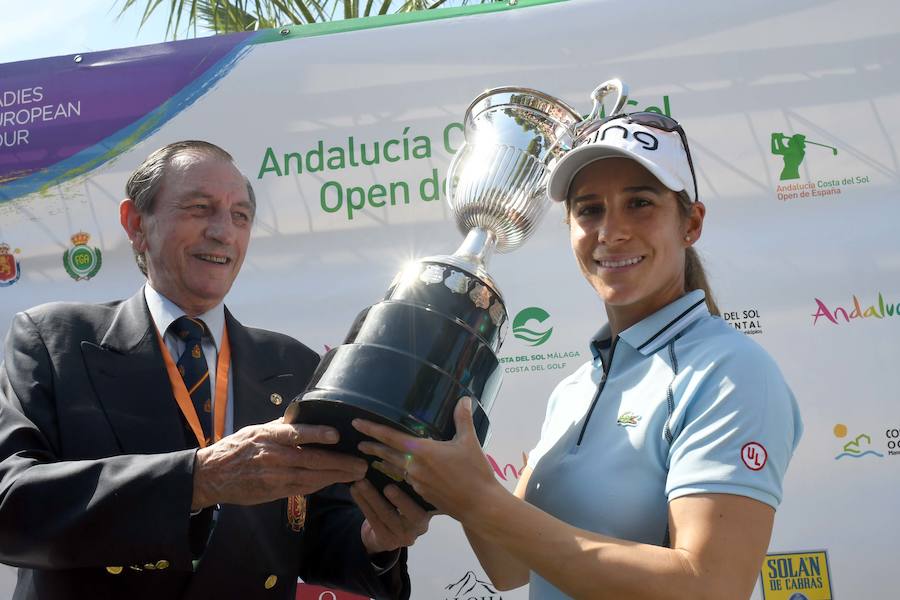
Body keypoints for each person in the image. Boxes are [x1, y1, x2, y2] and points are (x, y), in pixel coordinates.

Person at [353, 112, 803, 599]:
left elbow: (710, 586)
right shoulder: (576, 386)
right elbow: (509, 567)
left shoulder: (729, 372)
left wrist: (480, 500)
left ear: (691, 223)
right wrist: (445, 466)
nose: (611, 231)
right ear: (569, 227)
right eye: (590, 210)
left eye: (640, 204)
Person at [0, 140, 429, 600]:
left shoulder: (292, 365)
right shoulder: (53, 340)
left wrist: (376, 539)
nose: (223, 232)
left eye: (240, 216)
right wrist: (198, 479)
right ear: (136, 223)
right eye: (200, 208)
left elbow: (320, 534)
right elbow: (12, 508)